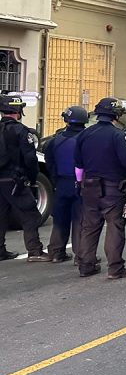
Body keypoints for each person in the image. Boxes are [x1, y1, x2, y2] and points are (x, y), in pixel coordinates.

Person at [75, 97, 126, 279]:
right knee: (115, 226)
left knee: (89, 226)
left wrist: (80, 183)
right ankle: (115, 268)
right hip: (112, 188)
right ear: (116, 115)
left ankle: (86, 265)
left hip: (89, 186)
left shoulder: (84, 134)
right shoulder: (119, 136)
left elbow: (78, 164)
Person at [0, 95, 48, 262]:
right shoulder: (21, 131)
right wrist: (32, 178)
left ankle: (0, 250)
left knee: (1, 215)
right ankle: (35, 251)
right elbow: (30, 159)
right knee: (30, 215)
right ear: (18, 111)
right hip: (14, 180)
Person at [44, 106, 89, 264]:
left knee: (60, 218)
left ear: (66, 120)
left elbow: (49, 163)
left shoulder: (55, 140)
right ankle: (81, 256)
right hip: (82, 183)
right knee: (80, 219)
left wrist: (56, 179)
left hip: (62, 183)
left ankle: (56, 252)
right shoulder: (88, 139)